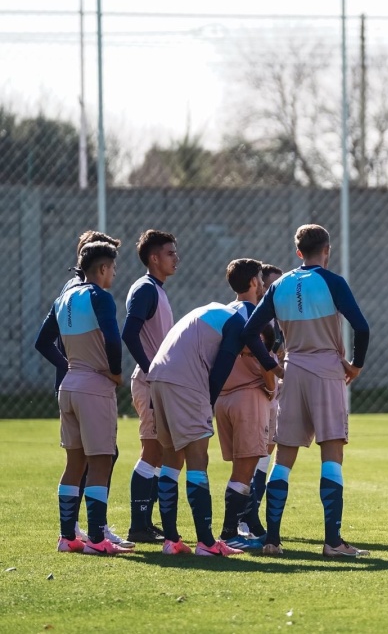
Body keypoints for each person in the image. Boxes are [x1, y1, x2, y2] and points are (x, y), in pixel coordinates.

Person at [242, 224, 370, 557]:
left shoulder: (280, 285)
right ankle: (332, 542)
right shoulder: (332, 282)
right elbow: (362, 326)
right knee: (332, 454)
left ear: (298, 252)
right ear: (326, 250)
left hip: (294, 370)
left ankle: (272, 539)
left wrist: (271, 366)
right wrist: (356, 364)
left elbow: (250, 330)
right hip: (327, 370)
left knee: (283, 458)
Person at [147, 294, 275, 557]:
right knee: (197, 459)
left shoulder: (211, 311)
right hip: (185, 380)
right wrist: (207, 404)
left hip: (157, 375)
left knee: (171, 459)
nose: (245, 352)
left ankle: (171, 540)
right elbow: (222, 368)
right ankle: (206, 543)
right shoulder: (238, 325)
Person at [35, 241, 132, 555]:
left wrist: (69, 367)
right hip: (94, 386)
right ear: (102, 268)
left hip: (69, 385)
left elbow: (42, 340)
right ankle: (97, 540)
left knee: (74, 463)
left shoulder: (63, 298)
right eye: (113, 269)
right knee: (100, 462)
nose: (114, 275)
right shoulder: (99, 296)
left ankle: (67, 537)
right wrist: (116, 372)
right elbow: (113, 339)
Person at [122, 229, 178, 544]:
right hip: (149, 382)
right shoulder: (145, 289)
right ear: (153, 257)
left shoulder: (156, 289)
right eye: (170, 253)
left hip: (157, 382)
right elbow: (129, 333)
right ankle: (138, 526)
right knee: (152, 451)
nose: (176, 258)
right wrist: (150, 370)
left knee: (158, 453)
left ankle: (145, 523)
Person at [238, 263, 284, 540]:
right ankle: (244, 519)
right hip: (256, 391)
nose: (275, 291)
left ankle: (251, 517)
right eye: (270, 285)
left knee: (265, 456)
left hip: (272, 391)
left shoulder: (278, 316)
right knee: (253, 456)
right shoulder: (255, 316)